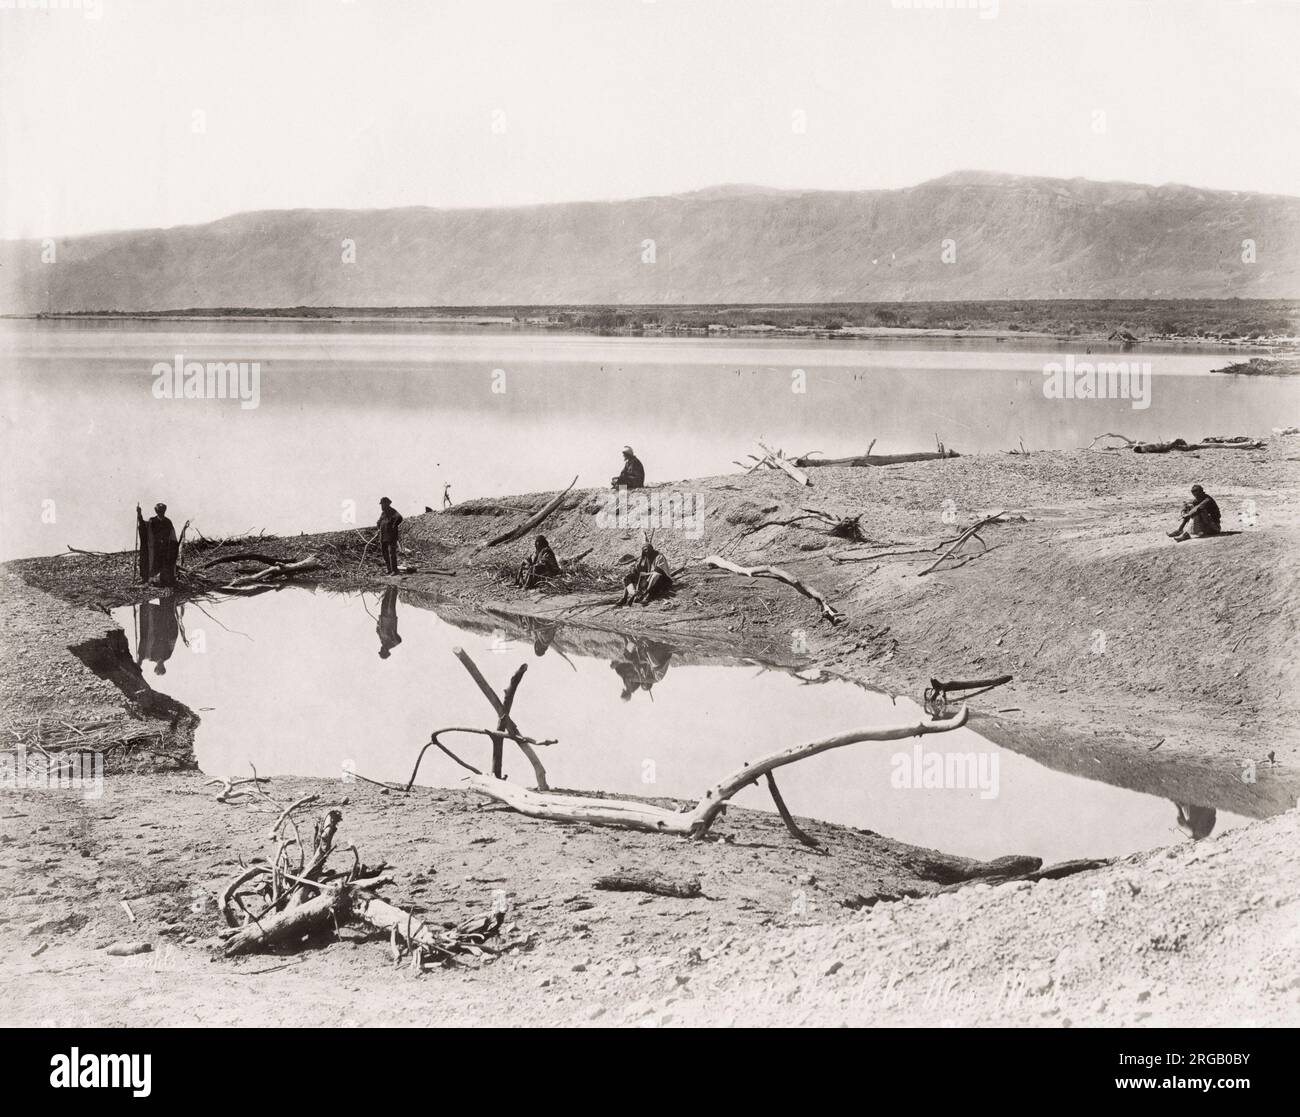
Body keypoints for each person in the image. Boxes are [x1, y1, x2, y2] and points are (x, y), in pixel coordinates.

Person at [619, 542, 673, 606]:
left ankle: (648, 595)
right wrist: (636, 568)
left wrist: (647, 588)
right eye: (644, 550)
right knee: (628, 577)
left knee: (655, 576)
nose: (646, 551)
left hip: (661, 580)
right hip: (648, 577)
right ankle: (625, 597)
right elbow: (639, 570)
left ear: (652, 549)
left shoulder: (659, 556)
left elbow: (658, 572)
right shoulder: (644, 557)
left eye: (647, 549)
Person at [139, 502, 179, 587]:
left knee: (165, 564)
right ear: (156, 511)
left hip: (165, 548)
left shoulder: (168, 522)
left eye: (162, 511)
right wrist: (139, 515)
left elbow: (172, 536)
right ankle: (150, 578)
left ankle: (164, 579)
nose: (161, 513)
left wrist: (173, 547)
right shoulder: (152, 521)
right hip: (155, 548)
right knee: (153, 563)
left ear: (164, 511)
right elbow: (144, 528)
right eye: (159, 511)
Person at [377, 497, 403, 574]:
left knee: (392, 553)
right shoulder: (383, 513)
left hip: (391, 536)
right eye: (381, 504)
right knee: (385, 553)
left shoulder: (393, 511)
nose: (382, 506)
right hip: (383, 536)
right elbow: (379, 522)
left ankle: (394, 570)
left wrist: (393, 526)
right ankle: (389, 569)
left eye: (383, 504)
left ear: (387, 504)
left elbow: (399, 518)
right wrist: (378, 527)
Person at [376, 585, 402, 659]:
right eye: (382, 651)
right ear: (386, 651)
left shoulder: (382, 641)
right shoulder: (392, 643)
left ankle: (389, 587)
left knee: (384, 603)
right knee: (391, 603)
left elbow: (378, 631)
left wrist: (378, 626)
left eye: (380, 650)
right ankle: (394, 587)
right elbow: (399, 641)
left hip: (383, 618)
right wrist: (393, 633)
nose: (381, 649)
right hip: (390, 618)